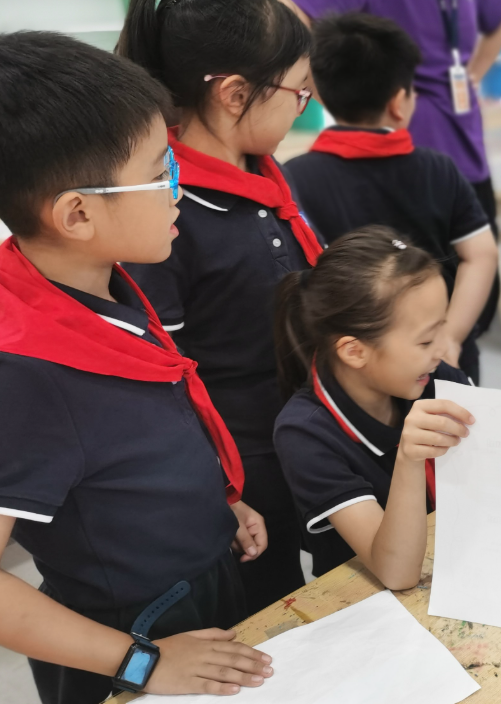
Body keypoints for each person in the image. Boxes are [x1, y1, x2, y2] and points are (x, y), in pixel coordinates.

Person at [0, 32, 274, 703]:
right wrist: (141, 664)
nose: (178, 187)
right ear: (78, 214)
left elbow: (134, 441)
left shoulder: (99, 285)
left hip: (193, 588)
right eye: (159, 172)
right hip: (129, 641)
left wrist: (218, 505)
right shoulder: (27, 371)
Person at [118, 0, 320, 613]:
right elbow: (158, 376)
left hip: (302, 429)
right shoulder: (167, 214)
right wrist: (220, 488)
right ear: (234, 94)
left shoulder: (265, 177)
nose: (304, 105)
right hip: (241, 464)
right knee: (271, 606)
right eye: (299, 92)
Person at [285, 13, 498, 383]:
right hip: (439, 362)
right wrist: (450, 336)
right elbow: (481, 255)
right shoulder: (438, 168)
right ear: (400, 102)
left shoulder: (294, 177)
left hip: (352, 368)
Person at [273, 227, 474, 580]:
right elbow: (396, 573)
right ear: (355, 351)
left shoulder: (437, 378)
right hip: (365, 598)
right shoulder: (304, 433)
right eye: (426, 341)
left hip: (461, 563)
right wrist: (409, 460)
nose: (442, 350)